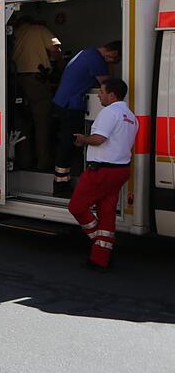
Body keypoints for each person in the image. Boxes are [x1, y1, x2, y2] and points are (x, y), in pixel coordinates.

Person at [68, 78, 136, 271]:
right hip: (121, 170)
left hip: (102, 170)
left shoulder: (109, 112)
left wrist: (83, 139)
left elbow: (99, 139)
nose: (98, 95)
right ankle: (100, 258)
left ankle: (99, 241)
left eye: (102, 92)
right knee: (107, 214)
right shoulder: (131, 116)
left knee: (77, 206)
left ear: (112, 95)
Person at [51, 40, 121, 195]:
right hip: (71, 105)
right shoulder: (96, 59)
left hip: (63, 102)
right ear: (113, 53)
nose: (113, 63)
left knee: (66, 143)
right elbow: (109, 86)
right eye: (115, 60)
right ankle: (61, 187)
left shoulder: (87, 52)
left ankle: (63, 181)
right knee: (69, 144)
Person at [11, 16, 61, 170]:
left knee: (22, 125)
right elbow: (56, 47)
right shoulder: (40, 29)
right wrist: (60, 64)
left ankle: (24, 162)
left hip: (15, 83)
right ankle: (43, 164)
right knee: (42, 124)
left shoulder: (15, 32)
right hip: (36, 82)